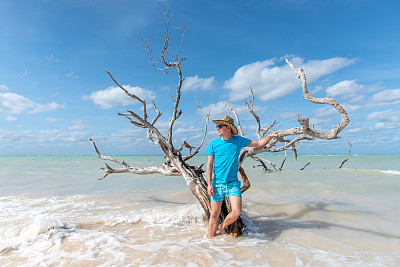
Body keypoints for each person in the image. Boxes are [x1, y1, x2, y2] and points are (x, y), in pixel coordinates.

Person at [206, 115, 279, 238]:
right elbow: (209, 164)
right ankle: (210, 241)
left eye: (220, 126)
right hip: (217, 182)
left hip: (233, 183)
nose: (217, 128)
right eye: (217, 126)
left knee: (236, 211)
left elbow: (259, 144)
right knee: (214, 213)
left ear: (228, 128)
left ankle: (222, 226)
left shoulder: (238, 140)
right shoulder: (213, 144)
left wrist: (270, 136)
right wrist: (209, 184)